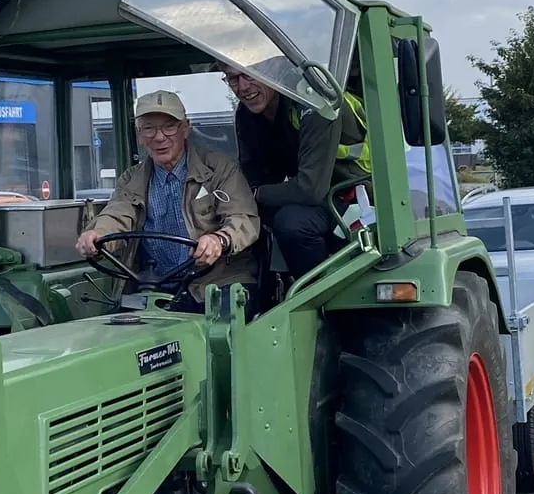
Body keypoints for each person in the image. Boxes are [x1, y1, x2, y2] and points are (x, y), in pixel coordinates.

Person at [75, 90, 260, 317]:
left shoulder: (220, 170)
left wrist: (219, 240)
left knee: (220, 336)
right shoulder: (131, 179)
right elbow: (117, 215)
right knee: (115, 330)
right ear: (139, 134)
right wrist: (95, 234)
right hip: (155, 286)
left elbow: (244, 219)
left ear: (186, 128)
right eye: (149, 128)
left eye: (169, 126)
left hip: (217, 282)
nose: (159, 137)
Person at [218, 64, 371, 280]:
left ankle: (315, 297)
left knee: (292, 223)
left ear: (273, 70)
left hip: (356, 197)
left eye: (250, 75)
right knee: (241, 217)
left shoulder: (314, 100)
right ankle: (253, 295)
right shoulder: (247, 115)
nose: (242, 87)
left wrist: (254, 194)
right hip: (316, 198)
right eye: (232, 78)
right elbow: (253, 178)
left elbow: (310, 190)